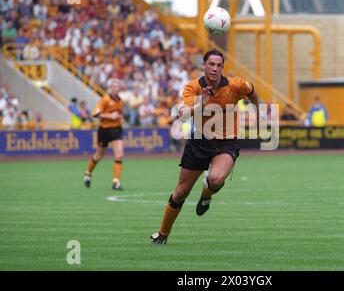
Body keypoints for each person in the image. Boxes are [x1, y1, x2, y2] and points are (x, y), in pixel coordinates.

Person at [150, 49, 259, 244]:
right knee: (181, 192)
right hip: (199, 142)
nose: (215, 69)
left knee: (216, 179)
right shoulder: (193, 87)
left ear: (222, 68)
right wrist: (203, 103)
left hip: (226, 143)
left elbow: (252, 91)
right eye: (211, 64)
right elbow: (182, 115)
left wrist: (258, 110)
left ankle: (206, 195)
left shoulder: (235, 85)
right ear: (204, 65)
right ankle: (163, 233)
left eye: (219, 65)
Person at [83, 79, 125, 191]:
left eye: (118, 86)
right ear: (111, 88)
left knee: (119, 155)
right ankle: (88, 173)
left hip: (116, 129)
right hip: (105, 130)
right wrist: (110, 116)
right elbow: (95, 114)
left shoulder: (121, 101)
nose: (116, 88)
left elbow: (119, 114)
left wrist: (120, 119)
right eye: (114, 86)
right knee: (99, 156)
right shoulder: (105, 100)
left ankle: (116, 182)